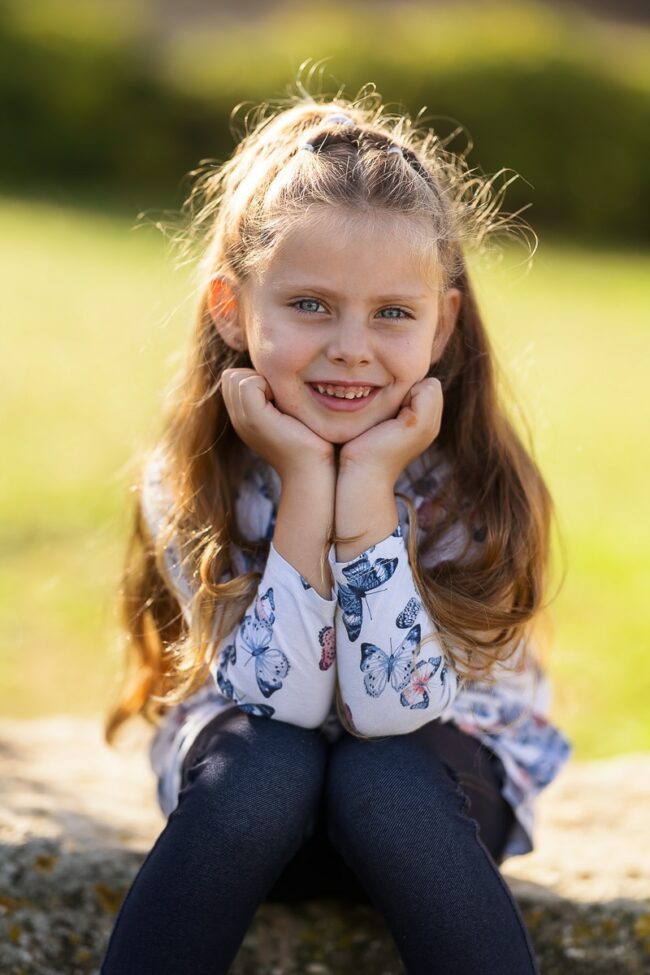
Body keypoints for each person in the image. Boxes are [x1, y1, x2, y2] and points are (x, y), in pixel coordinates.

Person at [99, 88, 573, 975]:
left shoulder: (473, 485)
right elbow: (282, 707)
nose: (352, 347)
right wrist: (309, 484)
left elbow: (390, 714)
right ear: (232, 308)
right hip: (247, 817)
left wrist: (369, 492)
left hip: (439, 809)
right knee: (266, 762)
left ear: (444, 325)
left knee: (378, 775)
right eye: (311, 304)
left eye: (393, 312)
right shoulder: (194, 478)